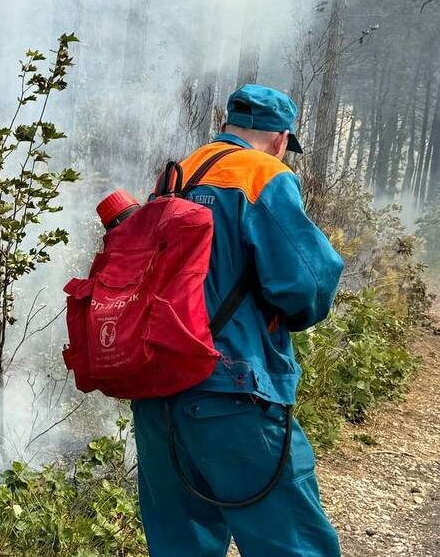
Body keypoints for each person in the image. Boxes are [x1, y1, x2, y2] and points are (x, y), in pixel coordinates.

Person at [131, 84, 344, 557]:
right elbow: (306, 282)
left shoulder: (172, 178)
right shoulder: (261, 173)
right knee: (291, 544)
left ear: (227, 125)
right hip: (233, 393)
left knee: (180, 546)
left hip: (158, 396)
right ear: (281, 138)